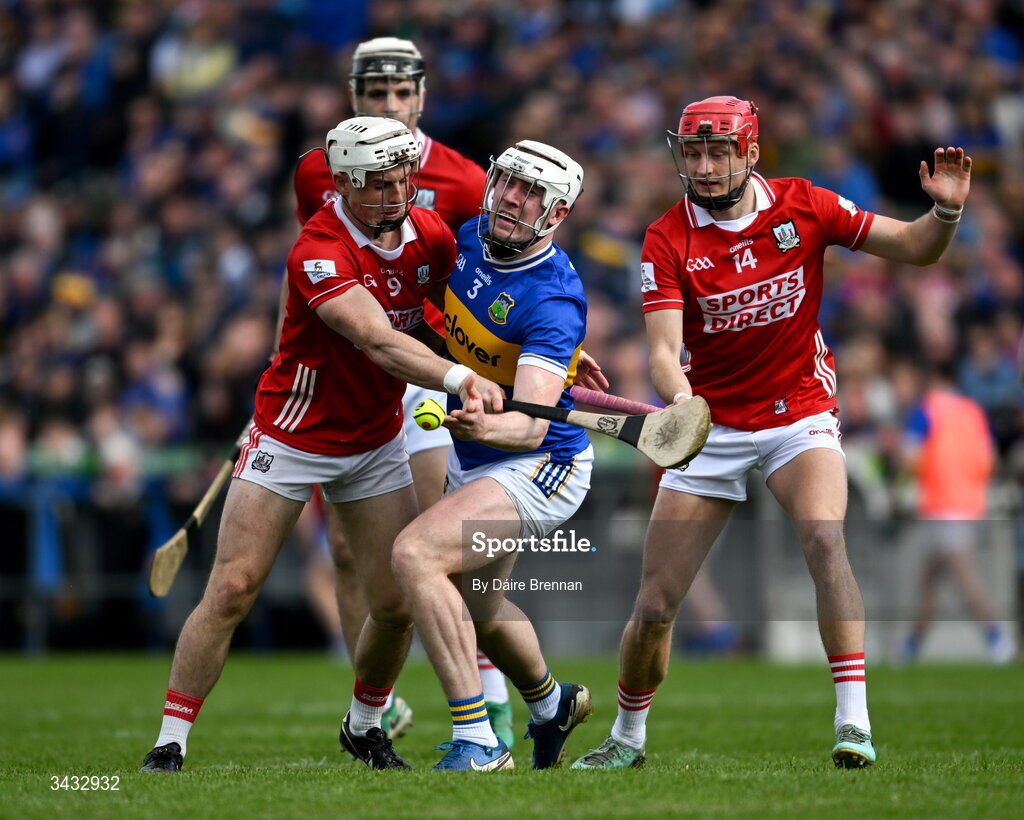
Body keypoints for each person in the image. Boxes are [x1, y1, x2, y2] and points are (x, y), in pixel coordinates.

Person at [571, 96, 973, 770]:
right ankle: (627, 739)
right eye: (693, 152)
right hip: (710, 424)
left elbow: (913, 247)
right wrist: (683, 404)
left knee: (824, 535)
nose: (702, 165)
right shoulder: (668, 237)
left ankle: (855, 723)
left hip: (798, 411)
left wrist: (947, 212)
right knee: (658, 606)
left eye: (718, 152)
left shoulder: (805, 205)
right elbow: (664, 354)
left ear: (751, 154)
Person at [140, 116, 503, 772]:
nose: (396, 195)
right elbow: (377, 339)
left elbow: (475, 315)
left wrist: (552, 360)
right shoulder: (319, 247)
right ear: (341, 184)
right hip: (292, 433)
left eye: (403, 180)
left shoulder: (433, 236)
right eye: (379, 183)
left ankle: (365, 725)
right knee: (233, 588)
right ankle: (171, 739)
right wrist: (461, 377)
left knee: (393, 603)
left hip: (375, 439)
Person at [288, 37, 518, 744]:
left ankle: (493, 690)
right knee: (351, 553)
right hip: (354, 378)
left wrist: (546, 353)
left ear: (421, 94)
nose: (389, 106)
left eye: (400, 94)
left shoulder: (461, 179)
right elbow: (316, 280)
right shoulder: (315, 174)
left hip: (440, 374)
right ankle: (377, 700)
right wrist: (285, 368)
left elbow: (503, 282)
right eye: (374, 94)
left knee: (443, 534)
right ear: (355, 98)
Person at [391, 140, 594, 771]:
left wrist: (483, 416)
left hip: (541, 463)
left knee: (416, 554)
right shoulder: (472, 235)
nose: (511, 196)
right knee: (477, 607)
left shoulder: (553, 300)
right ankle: (551, 702)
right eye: (506, 181)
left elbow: (530, 430)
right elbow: (442, 324)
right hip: (475, 447)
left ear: (556, 214)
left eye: (531, 191)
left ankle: (478, 742)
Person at [897, 361, 1014, 664]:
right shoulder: (972, 411)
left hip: (940, 504)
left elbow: (910, 458)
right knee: (931, 579)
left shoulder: (926, 411)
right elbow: (989, 459)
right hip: (968, 503)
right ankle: (912, 645)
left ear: (933, 378)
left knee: (962, 576)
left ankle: (996, 636)